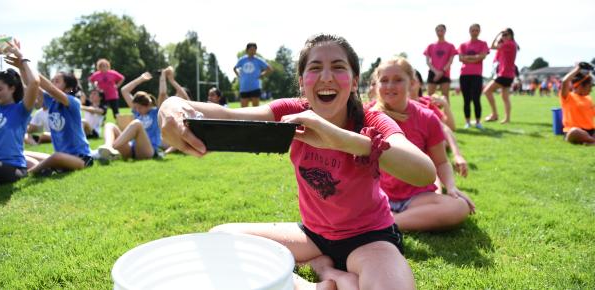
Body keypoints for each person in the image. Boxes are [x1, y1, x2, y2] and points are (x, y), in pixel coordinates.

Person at [159, 34, 437, 290]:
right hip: (313, 237)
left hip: (370, 238)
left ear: (354, 81)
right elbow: (227, 115)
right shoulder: (292, 112)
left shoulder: (372, 120)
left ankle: (318, 271)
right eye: (315, 68)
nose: (326, 76)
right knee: (221, 237)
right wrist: (171, 105)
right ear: (302, 81)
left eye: (339, 67)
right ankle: (320, 276)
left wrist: (340, 139)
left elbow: (423, 172)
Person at [369, 57, 475, 232]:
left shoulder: (426, 117)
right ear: (377, 84)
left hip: (417, 197)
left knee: (459, 207)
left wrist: (451, 187)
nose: (389, 86)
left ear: (411, 83)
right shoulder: (366, 115)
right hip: (378, 196)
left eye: (398, 80)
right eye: (384, 80)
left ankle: (389, 223)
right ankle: (389, 220)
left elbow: (441, 162)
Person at [28, 71, 93, 175]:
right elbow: (32, 83)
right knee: (25, 154)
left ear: (68, 89)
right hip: (61, 156)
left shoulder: (73, 102)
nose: (52, 83)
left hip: (81, 159)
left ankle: (29, 172)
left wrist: (24, 61)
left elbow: (50, 88)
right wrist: (21, 67)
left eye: (56, 81)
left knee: (55, 157)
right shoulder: (51, 101)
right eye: (52, 81)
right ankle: (47, 168)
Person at [97, 70, 168, 161]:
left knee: (137, 123)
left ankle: (110, 149)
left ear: (148, 105)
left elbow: (162, 93)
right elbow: (124, 90)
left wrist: (163, 75)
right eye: (136, 107)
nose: (136, 110)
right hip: (132, 149)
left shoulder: (156, 113)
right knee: (109, 125)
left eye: (140, 108)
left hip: (148, 151)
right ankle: (107, 147)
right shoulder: (137, 111)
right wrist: (141, 79)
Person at [0, 40, 39, 183]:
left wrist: (21, 57)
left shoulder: (21, 110)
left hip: (14, 170)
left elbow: (34, 83)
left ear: (12, 88)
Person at [412, 70, 468, 178]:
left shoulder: (427, 102)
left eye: (412, 81)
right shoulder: (394, 106)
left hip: (434, 145)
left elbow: (449, 128)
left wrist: (445, 105)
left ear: (420, 84)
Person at [483, 28, 519, 124]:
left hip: (504, 74)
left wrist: (498, 34)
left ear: (511, 35)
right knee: (505, 97)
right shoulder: (512, 44)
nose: (504, 36)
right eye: (503, 34)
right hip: (509, 74)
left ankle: (494, 114)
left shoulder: (508, 44)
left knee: (487, 91)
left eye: (506, 34)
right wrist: (501, 38)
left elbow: (492, 46)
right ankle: (507, 119)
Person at [458, 24, 490, 129]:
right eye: (473, 30)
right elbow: (461, 58)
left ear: (479, 31)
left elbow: (483, 56)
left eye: (476, 30)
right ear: (469, 31)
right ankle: (467, 122)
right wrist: (475, 57)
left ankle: (478, 122)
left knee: (476, 99)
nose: (474, 32)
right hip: (464, 75)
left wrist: (469, 58)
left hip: (477, 75)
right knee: (466, 99)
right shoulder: (463, 45)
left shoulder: (483, 43)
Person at [558, 62, 595, 145]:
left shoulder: (588, 98)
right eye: (589, 87)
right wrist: (578, 69)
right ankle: (592, 141)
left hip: (591, 131)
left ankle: (591, 141)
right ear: (580, 86)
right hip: (575, 131)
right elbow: (564, 81)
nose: (591, 90)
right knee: (574, 132)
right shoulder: (568, 97)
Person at [424, 24, 458, 103]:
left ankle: (447, 115)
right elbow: (427, 62)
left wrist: (442, 72)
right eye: (438, 30)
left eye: (442, 30)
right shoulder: (430, 46)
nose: (440, 32)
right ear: (435, 32)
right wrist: (436, 72)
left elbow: (450, 61)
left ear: (445, 31)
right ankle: (430, 115)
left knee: (445, 97)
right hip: (433, 73)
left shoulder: (450, 46)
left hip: (445, 73)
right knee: (430, 97)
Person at [233, 42, 273, 107]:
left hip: (255, 87)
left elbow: (269, 68)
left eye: (254, 49)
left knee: (256, 110)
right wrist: (239, 76)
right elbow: (234, 68)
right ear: (247, 50)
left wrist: (262, 74)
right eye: (251, 49)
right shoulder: (242, 60)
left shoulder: (258, 60)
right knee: (243, 111)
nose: (253, 51)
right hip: (244, 87)